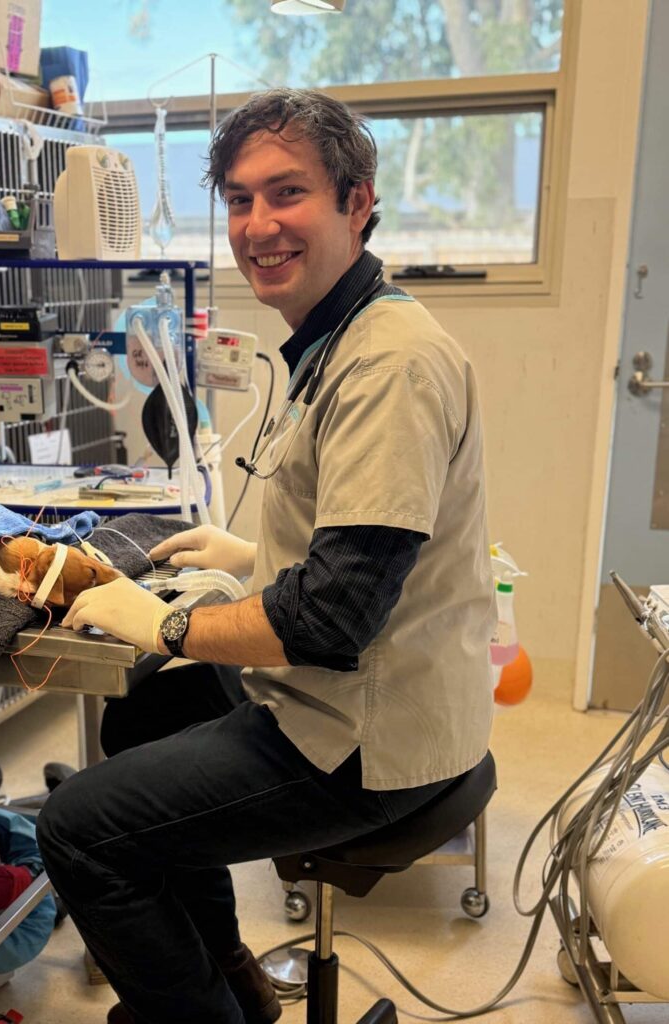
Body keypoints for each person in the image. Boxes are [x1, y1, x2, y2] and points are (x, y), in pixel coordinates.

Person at [37, 88, 496, 1024]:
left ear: (357, 202)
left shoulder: (389, 363)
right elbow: (365, 539)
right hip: (376, 690)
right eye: (240, 200)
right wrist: (251, 553)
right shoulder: (335, 338)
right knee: (144, 712)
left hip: (363, 737)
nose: (258, 225)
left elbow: (329, 621)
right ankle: (230, 986)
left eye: (286, 194)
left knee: (79, 828)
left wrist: (163, 618)